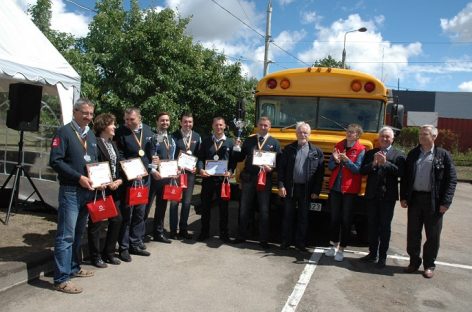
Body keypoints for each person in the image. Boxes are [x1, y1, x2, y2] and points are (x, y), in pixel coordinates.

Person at [49, 98, 98, 294]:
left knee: (78, 233)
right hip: (71, 190)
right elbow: (56, 161)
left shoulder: (90, 135)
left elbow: (93, 162)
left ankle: (74, 267)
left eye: (91, 114)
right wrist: (78, 177)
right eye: (85, 113)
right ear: (75, 112)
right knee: (66, 236)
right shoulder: (64, 132)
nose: (88, 117)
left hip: (87, 191)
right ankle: (61, 278)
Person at [400, 125, 457, 278]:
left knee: (433, 235)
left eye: (425, 134)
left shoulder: (443, 155)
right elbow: (405, 178)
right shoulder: (413, 154)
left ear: (434, 136)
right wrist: (403, 197)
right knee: (413, 233)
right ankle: (414, 261)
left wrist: (446, 202)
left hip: (434, 201)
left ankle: (429, 265)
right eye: (420, 134)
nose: (421, 136)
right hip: (415, 200)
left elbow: (451, 180)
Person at [359, 126, 405, 268]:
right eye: (382, 136)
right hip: (372, 196)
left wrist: (385, 163)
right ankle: (372, 254)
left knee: (384, 227)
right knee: (372, 225)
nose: (385, 139)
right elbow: (362, 170)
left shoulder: (399, 155)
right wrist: (373, 163)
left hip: (387, 197)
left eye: (387, 137)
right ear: (378, 138)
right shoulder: (371, 152)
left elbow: (401, 173)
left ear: (392, 139)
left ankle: (382, 257)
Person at [233, 117, 281, 248]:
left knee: (264, 210)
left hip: (265, 180)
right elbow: (240, 158)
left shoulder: (274, 142)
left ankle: (263, 239)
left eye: (266, 125)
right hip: (248, 178)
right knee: (244, 208)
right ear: (257, 126)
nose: (263, 127)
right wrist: (236, 147)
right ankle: (241, 235)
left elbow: (279, 162)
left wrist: (272, 168)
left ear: (270, 127)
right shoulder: (249, 140)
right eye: (261, 125)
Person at [278, 122, 324, 252]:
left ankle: (300, 243)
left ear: (309, 134)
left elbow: (320, 174)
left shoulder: (316, 151)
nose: (302, 134)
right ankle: (285, 242)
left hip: (306, 190)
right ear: (296, 133)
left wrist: (316, 191)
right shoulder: (288, 149)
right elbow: (281, 169)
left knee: (303, 217)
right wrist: (281, 185)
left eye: (305, 132)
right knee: (288, 216)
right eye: (300, 132)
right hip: (290, 188)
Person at [114, 107, 153, 261]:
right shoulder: (121, 132)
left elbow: (151, 152)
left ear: (139, 118)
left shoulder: (149, 131)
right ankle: (123, 247)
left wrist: (153, 161)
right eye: (126, 120)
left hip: (144, 178)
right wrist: (130, 170)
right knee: (127, 213)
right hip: (129, 179)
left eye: (132, 119)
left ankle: (135, 243)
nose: (129, 122)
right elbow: (120, 155)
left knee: (140, 212)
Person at [86, 113, 124, 268]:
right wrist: (98, 182)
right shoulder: (94, 142)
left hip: (113, 188)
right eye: (112, 124)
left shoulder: (112, 143)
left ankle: (108, 253)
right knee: (96, 223)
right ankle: (95, 256)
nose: (115, 127)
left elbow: (117, 165)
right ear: (104, 126)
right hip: (99, 189)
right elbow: (91, 165)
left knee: (117, 220)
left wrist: (119, 179)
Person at [325, 124, 365, 262]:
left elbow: (357, 170)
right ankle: (333, 245)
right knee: (334, 218)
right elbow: (330, 166)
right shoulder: (338, 145)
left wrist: (347, 161)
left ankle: (342, 248)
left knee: (346, 220)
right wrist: (336, 161)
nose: (349, 134)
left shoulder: (361, 149)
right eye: (348, 131)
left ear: (358, 135)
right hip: (335, 187)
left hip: (350, 189)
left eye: (352, 132)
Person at [197, 117, 236, 243]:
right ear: (212, 126)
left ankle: (224, 233)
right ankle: (204, 232)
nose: (218, 127)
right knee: (205, 207)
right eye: (216, 125)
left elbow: (233, 161)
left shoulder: (230, 142)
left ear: (225, 126)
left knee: (224, 208)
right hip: (208, 179)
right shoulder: (206, 141)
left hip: (222, 181)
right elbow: (200, 159)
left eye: (221, 125)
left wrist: (230, 171)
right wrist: (200, 169)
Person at [169, 112, 201, 240]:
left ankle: (183, 229)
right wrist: (174, 168)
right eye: (185, 122)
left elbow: (199, 155)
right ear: (180, 122)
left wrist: (197, 168)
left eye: (190, 122)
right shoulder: (173, 136)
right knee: (174, 202)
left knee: (187, 203)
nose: (188, 124)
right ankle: (172, 230)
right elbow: (170, 155)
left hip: (190, 175)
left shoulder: (197, 136)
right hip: (176, 174)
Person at [147, 112, 176, 243]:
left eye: (167, 120)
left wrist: (176, 168)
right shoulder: (154, 138)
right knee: (146, 206)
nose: (165, 123)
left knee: (162, 206)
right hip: (155, 177)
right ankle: (139, 235)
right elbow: (151, 156)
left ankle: (158, 233)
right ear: (157, 122)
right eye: (162, 120)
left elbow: (171, 156)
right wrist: (153, 171)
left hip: (166, 177)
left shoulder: (170, 139)